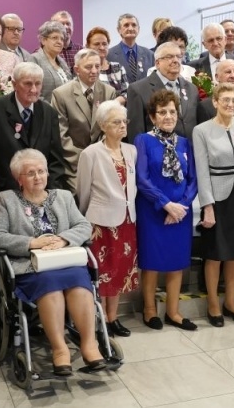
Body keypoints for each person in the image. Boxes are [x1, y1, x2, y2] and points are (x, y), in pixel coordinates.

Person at [0, 149, 106, 374]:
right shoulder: (7, 200)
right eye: (30, 173)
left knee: (80, 282)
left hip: (65, 260)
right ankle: (60, 349)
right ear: (18, 179)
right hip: (31, 266)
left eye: (41, 171)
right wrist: (32, 243)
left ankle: (90, 344)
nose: (38, 177)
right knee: (50, 286)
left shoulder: (63, 197)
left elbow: (84, 226)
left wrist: (63, 239)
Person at [192, 82, 234, 327]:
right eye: (226, 100)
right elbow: (202, 170)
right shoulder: (202, 131)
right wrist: (207, 205)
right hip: (218, 198)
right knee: (216, 253)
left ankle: (231, 301)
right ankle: (212, 303)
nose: (230, 105)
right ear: (215, 102)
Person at [134, 90, 198, 331]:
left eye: (172, 111)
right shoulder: (143, 140)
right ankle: (149, 310)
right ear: (153, 117)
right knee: (151, 261)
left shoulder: (184, 142)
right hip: (153, 211)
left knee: (177, 261)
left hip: (180, 212)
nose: (168, 116)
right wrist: (165, 204)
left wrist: (181, 206)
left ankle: (173, 311)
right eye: (162, 112)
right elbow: (142, 178)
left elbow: (193, 179)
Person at [77, 101, 138, 338]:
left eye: (124, 122)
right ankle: (98, 320)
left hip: (127, 220)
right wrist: (85, 220)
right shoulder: (90, 153)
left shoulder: (131, 150)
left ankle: (113, 318)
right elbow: (83, 190)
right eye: (116, 122)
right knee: (102, 272)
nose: (122, 126)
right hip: (100, 223)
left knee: (121, 272)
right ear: (103, 125)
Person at [0, 62, 66, 204]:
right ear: (14, 84)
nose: (34, 89)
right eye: (28, 84)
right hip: (4, 195)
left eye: (38, 84)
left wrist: (52, 196)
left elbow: (55, 161)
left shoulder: (49, 113)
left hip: (40, 195)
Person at [51, 48, 118, 191]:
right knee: (82, 195)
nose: (94, 71)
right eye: (88, 67)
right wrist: (85, 158)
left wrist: (100, 156)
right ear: (76, 69)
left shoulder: (109, 92)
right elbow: (61, 136)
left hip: (102, 159)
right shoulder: (61, 94)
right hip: (74, 163)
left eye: (97, 66)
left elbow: (111, 131)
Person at [126, 41, 199, 142]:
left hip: (189, 153)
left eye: (178, 56)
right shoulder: (138, 89)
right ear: (157, 63)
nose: (176, 60)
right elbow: (135, 133)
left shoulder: (192, 89)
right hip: (156, 153)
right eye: (169, 57)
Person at [28, 21, 73, 103]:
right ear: (43, 40)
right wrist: (50, 111)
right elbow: (33, 92)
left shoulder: (62, 62)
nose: (59, 42)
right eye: (55, 38)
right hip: (46, 112)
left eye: (62, 39)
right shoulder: (34, 59)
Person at [106, 13, 155, 83]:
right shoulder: (109, 56)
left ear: (138, 29)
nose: (130, 28)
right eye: (126, 25)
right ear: (118, 30)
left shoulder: (150, 55)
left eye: (134, 25)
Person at [86, 26, 129, 104]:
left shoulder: (117, 67)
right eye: (97, 44)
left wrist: (113, 103)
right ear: (88, 46)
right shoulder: (85, 70)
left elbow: (127, 93)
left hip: (118, 113)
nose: (102, 47)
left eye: (104, 44)